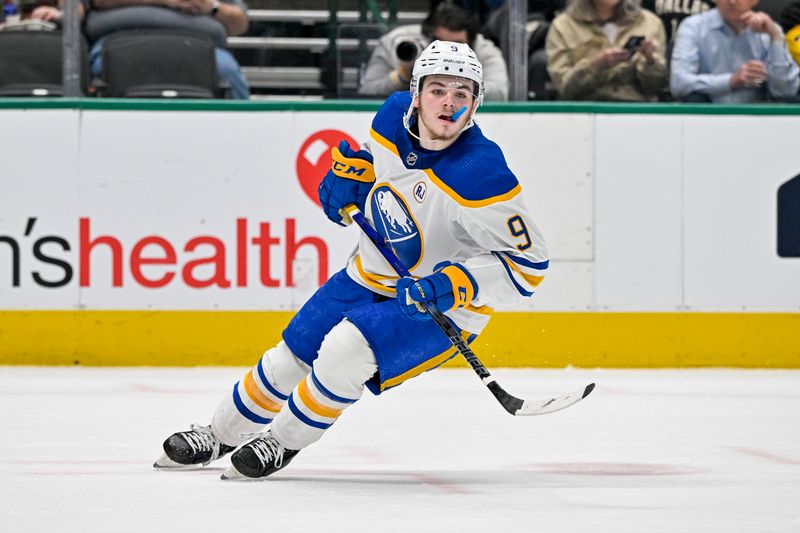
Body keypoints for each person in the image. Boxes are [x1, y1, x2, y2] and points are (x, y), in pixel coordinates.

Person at [153, 40, 549, 480]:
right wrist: (351, 179)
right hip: (369, 274)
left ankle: (280, 442)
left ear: (476, 104)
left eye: (462, 94)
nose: (449, 104)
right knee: (291, 355)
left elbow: (529, 265)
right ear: (416, 94)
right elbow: (372, 163)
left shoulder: (481, 174)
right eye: (438, 90)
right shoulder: (390, 116)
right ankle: (219, 434)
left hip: (439, 306)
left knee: (345, 351)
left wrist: (449, 284)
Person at [84, 0, 250, 99]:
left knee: (229, 73)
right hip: (120, 39)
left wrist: (212, 7)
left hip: (200, 45)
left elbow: (239, 24)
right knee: (101, 69)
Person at [357, 1, 509, 101]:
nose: (447, 51)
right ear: (426, 37)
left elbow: (500, 94)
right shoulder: (399, 43)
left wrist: (459, 83)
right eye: (440, 43)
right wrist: (402, 77)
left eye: (456, 45)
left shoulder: (484, 50)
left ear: (472, 42)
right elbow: (367, 91)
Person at [670, 0, 800, 102]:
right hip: (708, 114)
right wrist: (731, 81)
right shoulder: (693, 27)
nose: (732, 1)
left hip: (757, 117)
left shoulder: (768, 30)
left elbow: (786, 92)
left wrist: (776, 37)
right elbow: (678, 83)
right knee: (693, 99)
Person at [545, 0, 668, 101]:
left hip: (636, 110)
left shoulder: (650, 23)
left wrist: (650, 61)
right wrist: (594, 66)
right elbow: (564, 88)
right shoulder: (563, 26)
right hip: (584, 110)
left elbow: (655, 87)